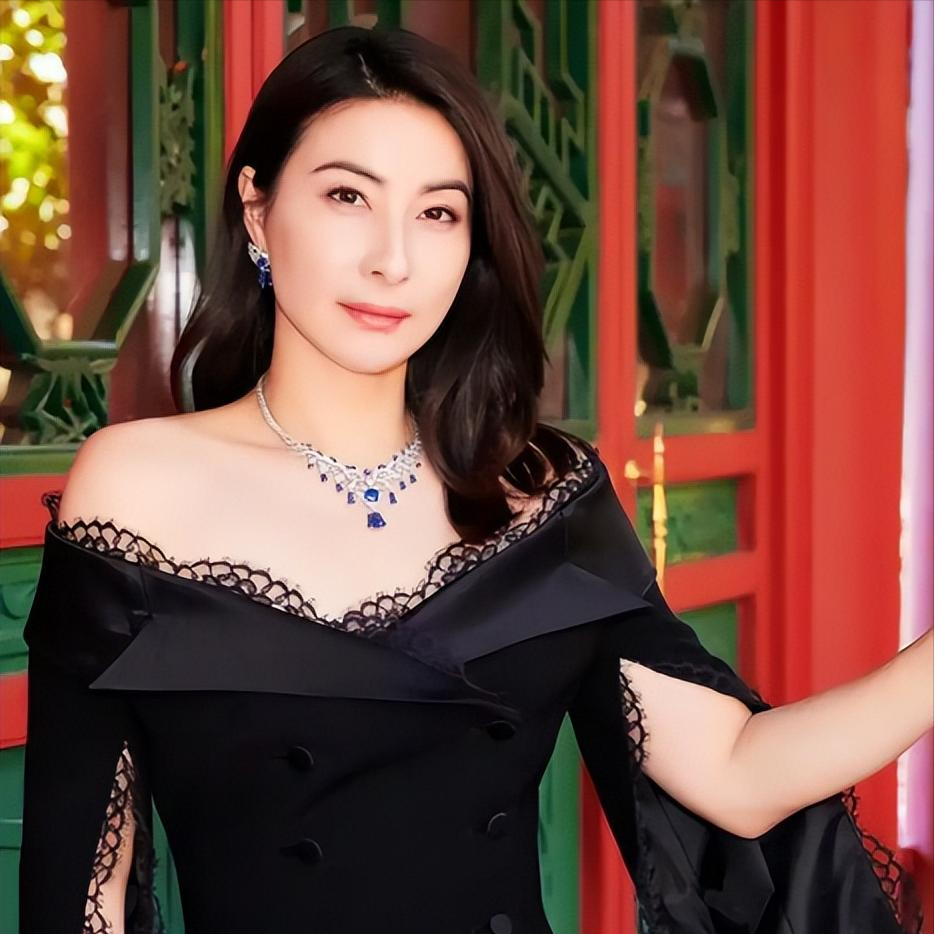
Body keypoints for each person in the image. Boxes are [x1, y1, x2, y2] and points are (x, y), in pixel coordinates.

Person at [18, 23, 933, 934]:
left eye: (438, 213)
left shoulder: (540, 492)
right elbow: (88, 883)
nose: (392, 259)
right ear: (257, 210)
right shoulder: (137, 491)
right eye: (347, 196)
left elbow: (732, 772)